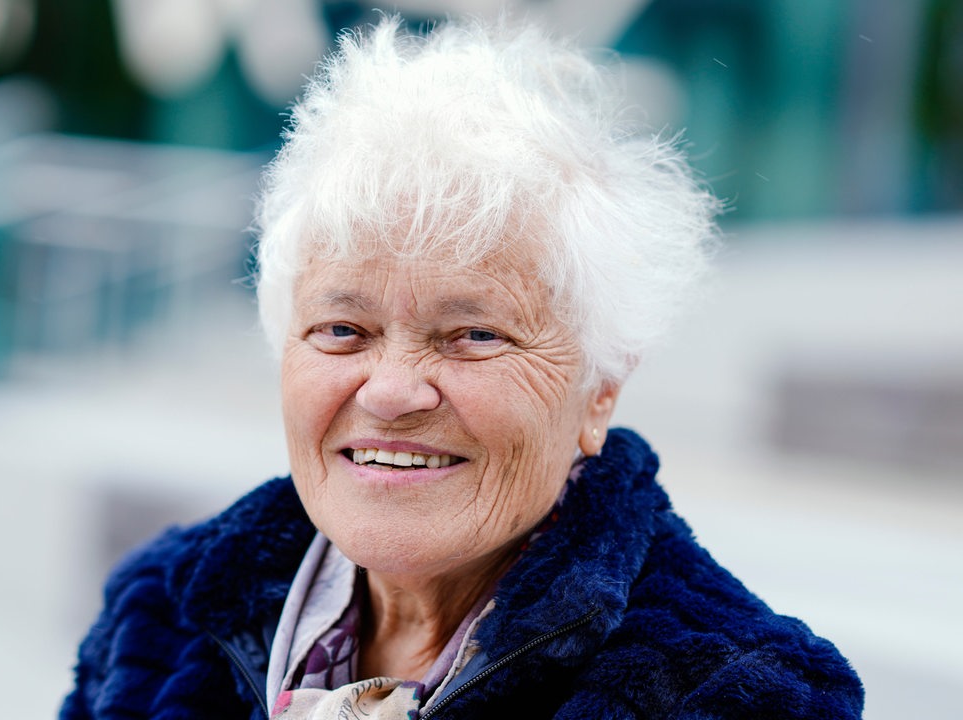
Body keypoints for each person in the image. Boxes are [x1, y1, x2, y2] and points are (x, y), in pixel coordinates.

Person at [60, 16, 863, 720]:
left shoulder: (735, 690)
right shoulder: (160, 611)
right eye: (343, 329)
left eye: (472, 335)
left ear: (600, 389)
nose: (392, 391)